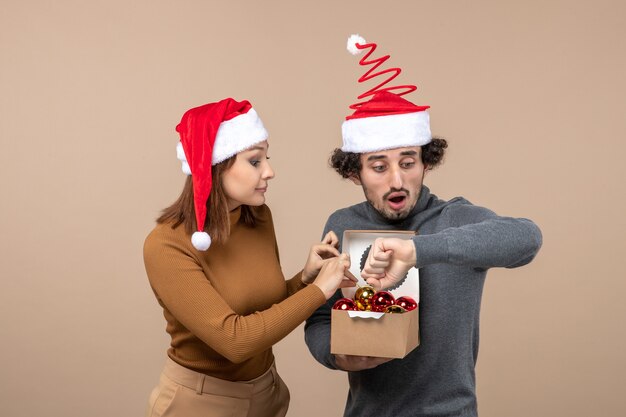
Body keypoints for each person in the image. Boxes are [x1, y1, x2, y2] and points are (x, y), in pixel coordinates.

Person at [304, 35, 543, 417]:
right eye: (379, 167)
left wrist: (416, 251)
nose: (397, 181)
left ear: (426, 162)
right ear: (355, 173)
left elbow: (527, 238)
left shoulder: (455, 219)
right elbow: (318, 317)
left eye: (409, 162)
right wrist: (337, 355)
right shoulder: (342, 224)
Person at [143, 97, 355, 417]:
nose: (270, 171)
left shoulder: (257, 217)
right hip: (201, 405)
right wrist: (319, 291)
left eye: (266, 158)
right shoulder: (166, 245)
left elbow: (261, 307)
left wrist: (305, 279)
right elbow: (235, 341)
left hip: (267, 396)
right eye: (255, 161)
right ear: (215, 166)